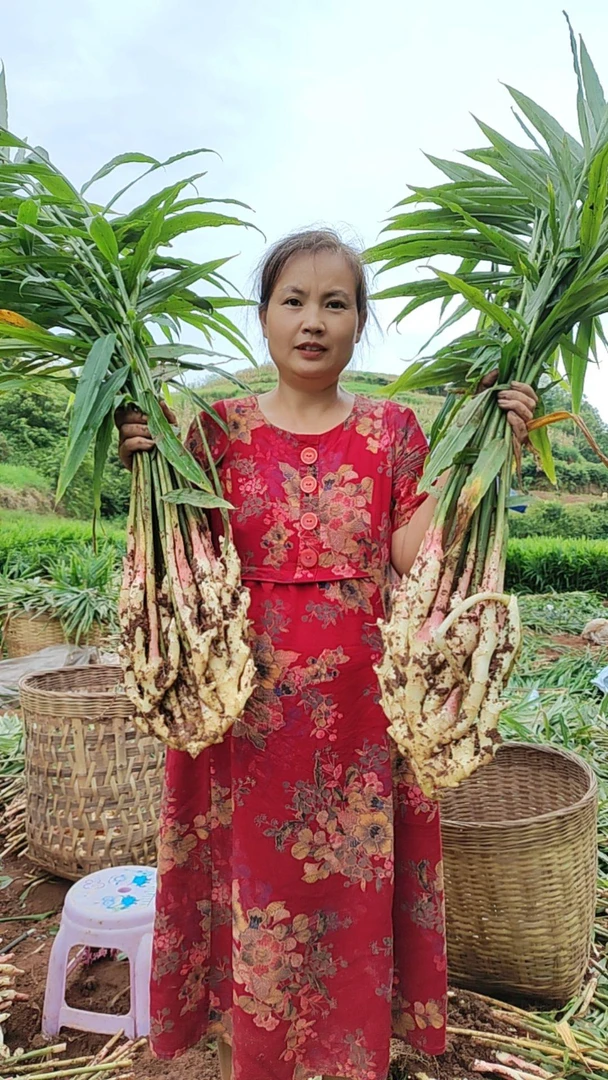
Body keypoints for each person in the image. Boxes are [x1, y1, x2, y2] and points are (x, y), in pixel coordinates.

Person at [116, 229, 537, 1080]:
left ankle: (347, 1052)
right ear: (264, 317)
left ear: (359, 322)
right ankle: (257, 1045)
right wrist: (143, 461)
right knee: (251, 879)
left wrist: (489, 459)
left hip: (364, 705)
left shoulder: (394, 431)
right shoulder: (215, 431)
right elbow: (180, 552)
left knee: (350, 887)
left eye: (335, 303)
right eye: (294, 301)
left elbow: (419, 554)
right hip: (241, 697)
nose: (314, 321)